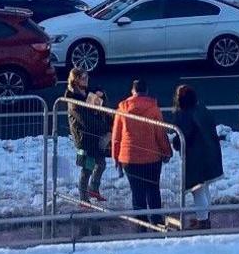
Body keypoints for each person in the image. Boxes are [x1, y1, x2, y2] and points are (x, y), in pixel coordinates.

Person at [110, 79, 172, 226]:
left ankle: (140, 222)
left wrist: (116, 157)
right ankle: (157, 221)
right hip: (151, 157)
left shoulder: (122, 108)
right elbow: (160, 133)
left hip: (129, 158)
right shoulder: (153, 109)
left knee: (137, 191)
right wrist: (166, 152)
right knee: (153, 189)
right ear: (147, 91)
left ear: (133, 91)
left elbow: (116, 136)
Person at [169, 83, 224, 229]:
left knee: (196, 188)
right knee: (204, 187)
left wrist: (176, 143)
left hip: (194, 158)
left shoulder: (184, 114)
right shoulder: (201, 109)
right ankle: (205, 216)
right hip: (209, 154)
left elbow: (184, 136)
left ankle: (202, 220)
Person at [65, 68, 110, 203]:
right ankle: (83, 198)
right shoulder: (73, 99)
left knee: (101, 163)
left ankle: (93, 189)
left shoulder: (89, 91)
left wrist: (101, 96)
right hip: (84, 138)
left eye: (86, 77)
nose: (86, 80)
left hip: (95, 135)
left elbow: (103, 106)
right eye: (83, 78)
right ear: (76, 80)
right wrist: (106, 128)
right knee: (88, 167)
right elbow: (85, 120)